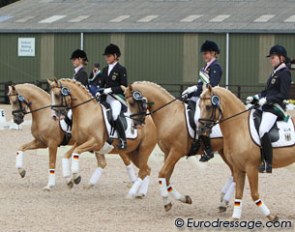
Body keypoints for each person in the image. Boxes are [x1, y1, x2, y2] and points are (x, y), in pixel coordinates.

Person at [246, 45, 291, 173]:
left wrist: (267, 100)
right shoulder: (274, 73)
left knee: (263, 129)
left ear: (281, 58)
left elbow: (284, 95)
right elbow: (266, 91)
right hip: (266, 107)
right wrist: (255, 98)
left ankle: (267, 163)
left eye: (273, 57)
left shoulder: (285, 73)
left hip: (275, 109)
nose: (271, 60)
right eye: (270, 58)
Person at [182, 40, 223, 162]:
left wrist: (196, 88)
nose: (205, 55)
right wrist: (191, 91)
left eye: (207, 53)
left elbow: (212, 85)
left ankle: (208, 149)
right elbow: (201, 84)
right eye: (204, 53)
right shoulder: (204, 68)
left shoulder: (216, 67)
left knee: (197, 118)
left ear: (214, 53)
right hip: (201, 96)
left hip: (209, 98)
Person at [99, 43, 128, 150]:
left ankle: (123, 140)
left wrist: (111, 89)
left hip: (116, 99)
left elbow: (124, 86)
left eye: (109, 56)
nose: (106, 58)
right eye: (106, 56)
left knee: (115, 115)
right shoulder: (105, 70)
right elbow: (101, 85)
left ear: (115, 56)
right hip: (105, 98)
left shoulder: (121, 69)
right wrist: (99, 91)